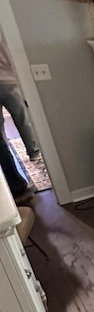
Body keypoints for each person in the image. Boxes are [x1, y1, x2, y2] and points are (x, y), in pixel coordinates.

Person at [0, 38, 38, 203]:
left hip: (8, 79)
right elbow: (11, 56)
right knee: (23, 118)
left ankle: (16, 185)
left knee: (0, 137)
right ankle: (34, 150)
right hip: (9, 80)